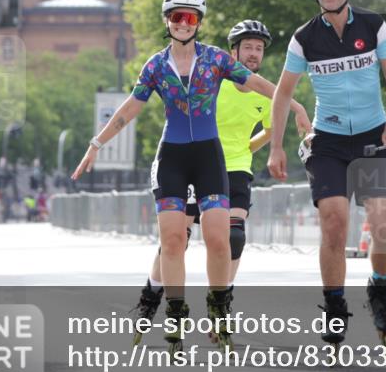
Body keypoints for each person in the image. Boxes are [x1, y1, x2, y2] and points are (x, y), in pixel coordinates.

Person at [72, 0, 283, 351]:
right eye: (176, 17)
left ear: (199, 23)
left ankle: (219, 310)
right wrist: (96, 143)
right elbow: (127, 110)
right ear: (167, 21)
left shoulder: (215, 59)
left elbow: (258, 84)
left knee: (220, 239)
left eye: (191, 18)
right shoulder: (155, 66)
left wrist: (291, 102)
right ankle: (174, 313)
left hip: (208, 158)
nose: (183, 23)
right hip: (171, 158)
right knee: (173, 241)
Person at [129, 19, 311, 343]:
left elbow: (270, 129)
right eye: (248, 47)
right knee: (177, 239)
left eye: (259, 48)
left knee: (235, 237)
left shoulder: (263, 93)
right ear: (234, 51)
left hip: (235, 168)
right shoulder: (214, 77)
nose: (254, 54)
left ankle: (220, 307)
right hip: (192, 162)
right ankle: (151, 296)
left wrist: (248, 148)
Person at [267, 0, 386, 347]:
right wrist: (276, 147)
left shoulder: (373, 25)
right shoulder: (304, 38)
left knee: (383, 223)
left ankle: (379, 290)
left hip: (372, 137)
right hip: (327, 141)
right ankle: (333, 306)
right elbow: (282, 94)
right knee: (334, 222)